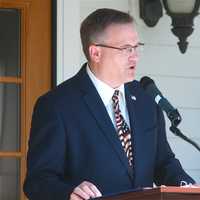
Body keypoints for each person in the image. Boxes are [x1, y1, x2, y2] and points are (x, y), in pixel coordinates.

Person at [23, 8, 195, 200]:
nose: (135, 56)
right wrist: (68, 193)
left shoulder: (146, 98)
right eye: (126, 49)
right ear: (95, 52)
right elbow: (38, 182)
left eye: (137, 47)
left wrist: (189, 188)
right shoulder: (56, 105)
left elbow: (163, 163)